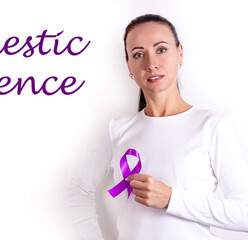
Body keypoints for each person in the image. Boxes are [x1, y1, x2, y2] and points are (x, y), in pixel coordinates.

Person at [66, 14, 248, 240]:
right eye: (139, 54)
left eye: (161, 50)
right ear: (129, 65)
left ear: (179, 53)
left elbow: (244, 214)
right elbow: (78, 190)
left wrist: (171, 199)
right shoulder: (118, 130)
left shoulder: (211, 126)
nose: (151, 64)